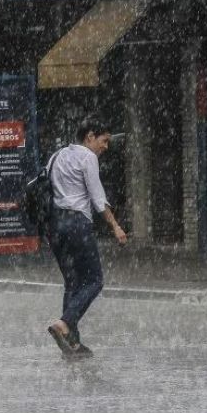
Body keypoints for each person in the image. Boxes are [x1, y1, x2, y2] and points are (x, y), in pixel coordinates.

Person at [46, 120, 127, 358]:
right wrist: (115, 226)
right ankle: (65, 323)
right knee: (94, 280)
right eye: (104, 141)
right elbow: (97, 197)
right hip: (77, 224)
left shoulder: (57, 156)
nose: (106, 147)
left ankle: (72, 344)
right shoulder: (87, 158)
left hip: (55, 226)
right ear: (90, 137)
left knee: (72, 281)